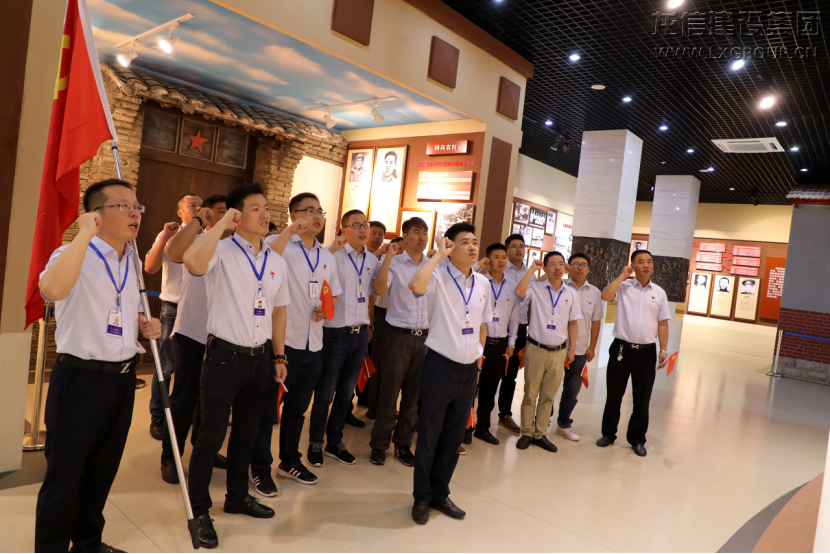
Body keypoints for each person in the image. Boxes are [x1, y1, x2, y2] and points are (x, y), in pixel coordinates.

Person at [35, 179, 161, 553]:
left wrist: (143, 323)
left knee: (101, 472)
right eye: (123, 206)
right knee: (65, 476)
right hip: (80, 380)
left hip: (122, 381)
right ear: (96, 214)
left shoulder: (131, 261)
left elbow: (121, 309)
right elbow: (51, 291)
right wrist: (83, 235)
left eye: (137, 206)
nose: (135, 213)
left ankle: (88, 544)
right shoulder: (72, 253)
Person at [182, 183, 290, 548]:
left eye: (266, 208)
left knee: (247, 433)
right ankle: (199, 510)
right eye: (255, 208)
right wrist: (220, 224)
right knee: (210, 437)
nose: (265, 214)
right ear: (238, 215)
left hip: (260, 358)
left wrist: (279, 356)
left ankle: (238, 496)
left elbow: (278, 311)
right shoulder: (221, 249)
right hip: (223, 357)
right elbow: (192, 263)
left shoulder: (276, 260)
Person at [408, 222, 491, 525]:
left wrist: (479, 359)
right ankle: (421, 496)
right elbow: (415, 286)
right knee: (429, 435)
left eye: (475, 241)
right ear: (451, 246)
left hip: (469, 369)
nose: (472, 246)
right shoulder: (438, 276)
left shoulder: (482, 283)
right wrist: (438, 257)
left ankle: (440, 493)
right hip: (440, 365)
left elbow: (481, 323)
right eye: (464, 241)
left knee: (454, 437)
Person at [261, 192, 341, 488]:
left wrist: (325, 309)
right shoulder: (279, 243)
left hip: (314, 344)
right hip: (283, 343)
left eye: (320, 211)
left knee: (297, 410)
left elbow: (331, 294)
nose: (317, 216)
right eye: (309, 210)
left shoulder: (326, 256)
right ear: (294, 215)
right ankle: (259, 467)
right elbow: (264, 260)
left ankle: (289, 461)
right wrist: (288, 232)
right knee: (267, 411)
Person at [158, 195, 227, 484]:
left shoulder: (237, 248)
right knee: (184, 400)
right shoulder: (196, 239)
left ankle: (203, 449)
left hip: (223, 338)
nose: (227, 217)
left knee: (211, 401)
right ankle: (170, 457)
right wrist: (199, 220)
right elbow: (173, 252)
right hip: (192, 333)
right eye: (220, 212)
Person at [307, 210, 380, 466]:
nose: (363, 229)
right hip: (334, 334)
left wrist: (369, 325)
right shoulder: (332, 255)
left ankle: (334, 442)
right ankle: (315, 442)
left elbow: (370, 294)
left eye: (365, 224)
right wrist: (331, 248)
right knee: (325, 393)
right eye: (356, 225)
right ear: (344, 229)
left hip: (359, 336)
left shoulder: (372, 259)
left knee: (347, 394)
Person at [597, 249, 670, 457]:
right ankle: (608, 434)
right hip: (621, 349)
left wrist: (663, 349)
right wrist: (622, 276)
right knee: (614, 395)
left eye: (649, 261)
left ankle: (637, 439)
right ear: (633, 266)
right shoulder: (624, 287)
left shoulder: (659, 292)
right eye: (641, 261)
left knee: (642, 398)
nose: (646, 265)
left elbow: (663, 323)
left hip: (646, 353)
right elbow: (605, 296)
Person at [369, 218, 429, 465]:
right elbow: (378, 289)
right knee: (389, 391)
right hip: (398, 335)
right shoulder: (394, 262)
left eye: (425, 233)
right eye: (416, 232)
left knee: (413, 396)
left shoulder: (432, 265)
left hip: (424, 338)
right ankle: (379, 444)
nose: (422, 237)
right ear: (405, 236)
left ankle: (403, 445)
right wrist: (388, 258)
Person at [144, 192, 202, 440]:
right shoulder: (170, 234)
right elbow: (150, 267)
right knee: (166, 366)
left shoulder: (209, 237)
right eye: (192, 205)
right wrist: (164, 238)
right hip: (173, 308)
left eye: (201, 205)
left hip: (200, 311)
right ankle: (158, 416)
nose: (198, 209)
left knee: (196, 368)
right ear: (180, 212)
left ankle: (191, 417)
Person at [514, 252, 580, 453]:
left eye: (561, 263)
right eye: (552, 264)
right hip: (536, 349)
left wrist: (572, 349)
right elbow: (519, 292)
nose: (557, 268)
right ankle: (527, 432)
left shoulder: (571, 293)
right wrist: (532, 270)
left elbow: (573, 323)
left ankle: (540, 434)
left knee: (548, 396)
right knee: (530, 394)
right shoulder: (536, 288)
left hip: (559, 352)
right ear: (545, 268)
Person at [473, 243, 521, 445]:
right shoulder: (479, 280)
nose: (501, 261)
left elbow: (514, 318)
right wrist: (478, 266)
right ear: (488, 259)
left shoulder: (512, 285)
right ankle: (465, 427)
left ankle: (482, 428)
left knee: (490, 388)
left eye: (504, 257)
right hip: (479, 342)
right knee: (471, 386)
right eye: (496, 257)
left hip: (500, 344)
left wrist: (511, 342)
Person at [556, 253, 602, 441]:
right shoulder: (559, 285)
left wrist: (592, 347)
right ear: (568, 267)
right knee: (549, 387)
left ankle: (564, 424)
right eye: (575, 264)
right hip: (556, 346)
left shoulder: (595, 292)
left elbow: (596, 321)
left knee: (572, 390)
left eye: (584, 265)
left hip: (580, 349)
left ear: (589, 269)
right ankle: (540, 421)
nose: (580, 268)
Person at [500, 234, 531, 433]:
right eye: (514, 246)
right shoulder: (502, 269)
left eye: (521, 246)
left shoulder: (530, 273)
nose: (519, 249)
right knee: (487, 373)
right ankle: (475, 416)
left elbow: (531, 304)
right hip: (498, 329)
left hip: (520, 330)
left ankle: (505, 414)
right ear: (506, 249)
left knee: (510, 375)